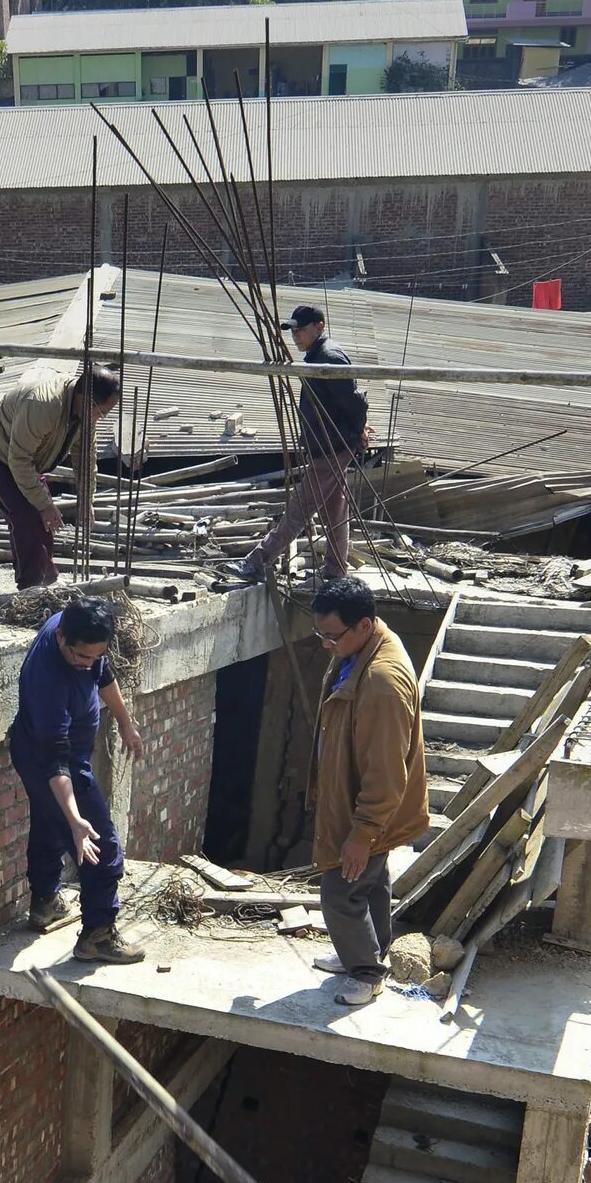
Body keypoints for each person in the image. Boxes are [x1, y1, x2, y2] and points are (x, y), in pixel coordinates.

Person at [306, 577, 428, 1007]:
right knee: (371, 884)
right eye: (320, 634)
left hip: (373, 808)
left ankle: (366, 972)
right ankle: (363, 953)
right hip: (360, 799)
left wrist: (362, 832)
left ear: (363, 625)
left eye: (332, 636)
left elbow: (385, 771)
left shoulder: (380, 681)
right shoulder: (362, 648)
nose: (325, 644)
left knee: (341, 891)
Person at [9, 593, 146, 965]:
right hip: (50, 759)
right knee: (100, 846)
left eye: (94, 655)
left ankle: (46, 903)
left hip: (53, 753)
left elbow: (104, 674)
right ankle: (97, 936)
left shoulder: (78, 634)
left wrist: (125, 722)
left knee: (48, 825)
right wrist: (76, 820)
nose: (86, 664)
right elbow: (56, 763)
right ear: (60, 640)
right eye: (80, 656)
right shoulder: (48, 682)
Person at [233, 305, 372, 588]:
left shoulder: (329, 357)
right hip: (326, 445)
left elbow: (355, 402)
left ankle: (257, 562)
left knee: (300, 507)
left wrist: (358, 431)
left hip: (334, 446)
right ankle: (335, 570)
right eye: (293, 331)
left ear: (319, 327)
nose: (296, 336)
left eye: (301, 329)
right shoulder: (316, 355)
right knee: (335, 509)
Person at [0, 362, 124, 590]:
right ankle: (30, 588)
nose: (101, 418)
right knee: (25, 513)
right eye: (102, 412)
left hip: (27, 458)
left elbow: (85, 459)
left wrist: (86, 498)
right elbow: (19, 459)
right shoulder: (43, 404)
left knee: (46, 519)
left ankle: (48, 578)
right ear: (87, 400)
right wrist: (44, 504)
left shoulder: (86, 415)